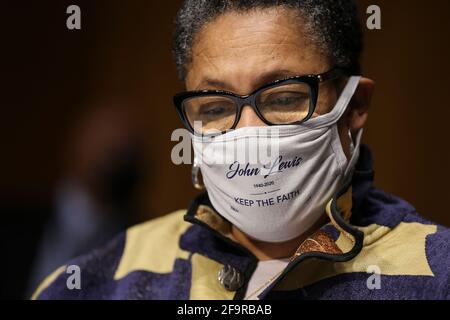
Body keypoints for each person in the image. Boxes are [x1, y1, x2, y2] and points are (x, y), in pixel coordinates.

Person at [33, 0, 450, 300]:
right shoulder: (103, 280)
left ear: (354, 106)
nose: (249, 134)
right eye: (215, 107)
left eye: (283, 98)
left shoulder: (434, 274)